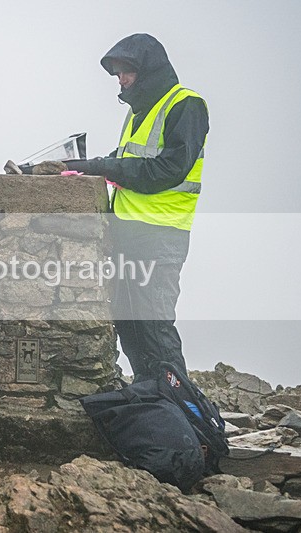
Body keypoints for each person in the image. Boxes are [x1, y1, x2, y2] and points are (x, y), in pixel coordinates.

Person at [64, 33, 209, 382]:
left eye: (125, 72)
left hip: (160, 236)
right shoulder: (137, 113)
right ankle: (154, 402)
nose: (121, 80)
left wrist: (102, 168)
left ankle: (184, 415)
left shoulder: (186, 105)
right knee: (130, 328)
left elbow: (165, 171)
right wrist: (89, 166)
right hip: (126, 233)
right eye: (117, 75)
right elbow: (126, 160)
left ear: (147, 69)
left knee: (155, 328)